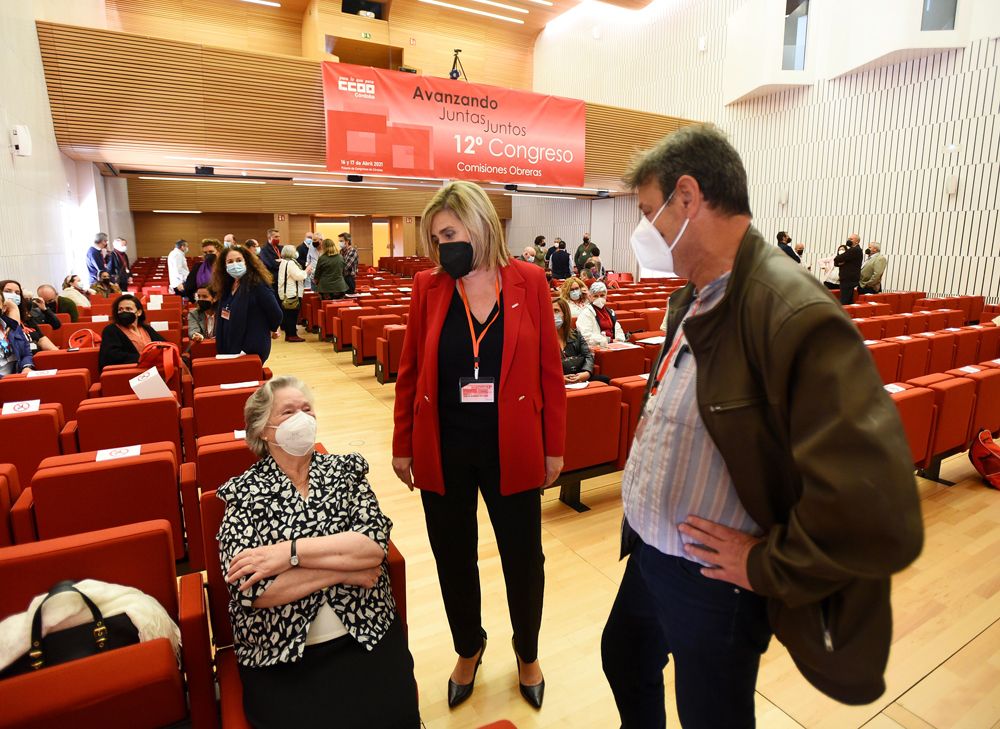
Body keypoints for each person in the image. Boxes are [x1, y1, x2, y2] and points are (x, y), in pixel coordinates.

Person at [600, 124, 922, 728]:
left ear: (688, 198)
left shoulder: (791, 311)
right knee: (623, 656)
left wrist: (765, 564)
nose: (644, 232)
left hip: (714, 584)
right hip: (652, 556)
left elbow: (879, 507)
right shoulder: (692, 297)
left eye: (648, 213)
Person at [391, 180, 566, 710]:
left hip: (511, 446)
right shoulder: (430, 285)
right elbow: (410, 369)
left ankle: (527, 651)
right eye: (435, 238)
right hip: (443, 446)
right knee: (453, 556)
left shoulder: (530, 281)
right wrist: (403, 443)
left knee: (523, 558)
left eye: (449, 233)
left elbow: (550, 372)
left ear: (481, 225)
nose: (442, 247)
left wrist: (553, 445)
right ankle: (469, 647)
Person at [217, 376, 420, 729]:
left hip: (366, 632)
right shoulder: (244, 493)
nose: (302, 418)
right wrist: (344, 570)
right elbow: (250, 588)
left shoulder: (345, 471)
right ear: (264, 430)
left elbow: (372, 545)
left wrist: (288, 554)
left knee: (394, 717)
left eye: (307, 409)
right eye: (289, 411)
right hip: (280, 654)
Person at [213, 244, 283, 363]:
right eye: (230, 261)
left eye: (239, 260)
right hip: (230, 345)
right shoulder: (227, 286)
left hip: (250, 347)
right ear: (224, 266)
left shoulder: (257, 285)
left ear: (247, 262)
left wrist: (273, 329)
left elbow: (275, 313)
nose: (234, 264)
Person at [97, 294, 165, 371]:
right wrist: (143, 358)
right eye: (120, 310)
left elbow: (164, 344)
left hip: (153, 369)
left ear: (139, 312)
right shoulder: (111, 330)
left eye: (128, 309)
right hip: (128, 372)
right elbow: (110, 356)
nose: (124, 312)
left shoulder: (146, 328)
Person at [0, 281, 58, 352]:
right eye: (7, 291)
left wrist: (56, 353)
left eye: (17, 293)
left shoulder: (27, 317)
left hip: (37, 356)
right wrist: (12, 308)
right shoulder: (2, 321)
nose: (13, 295)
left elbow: (41, 339)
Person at [552, 297, 596, 384]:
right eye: (549, 311)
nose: (552, 314)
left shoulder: (576, 334)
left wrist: (585, 374)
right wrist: (560, 378)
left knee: (604, 379)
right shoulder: (542, 339)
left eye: (556, 311)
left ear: (565, 314)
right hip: (556, 380)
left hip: (578, 375)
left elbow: (588, 356)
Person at [576, 282, 627, 347]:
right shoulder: (585, 313)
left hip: (614, 345)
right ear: (590, 297)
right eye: (596, 296)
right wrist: (609, 341)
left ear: (606, 296)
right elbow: (586, 336)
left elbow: (618, 329)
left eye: (602, 295)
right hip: (597, 347)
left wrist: (619, 340)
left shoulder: (610, 312)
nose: (599, 298)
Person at [277, 245, 307, 343]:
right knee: (292, 316)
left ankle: (290, 334)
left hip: (286, 292)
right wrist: (307, 271)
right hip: (291, 293)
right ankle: (292, 335)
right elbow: (298, 276)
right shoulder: (290, 263)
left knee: (288, 316)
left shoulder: (283, 262)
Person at [0, 297, 35, 376]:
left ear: (4, 308)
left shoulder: (13, 327)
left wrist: (26, 367)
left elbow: (26, 354)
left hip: (16, 378)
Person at [833, 233, 862, 304]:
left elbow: (837, 258)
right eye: (848, 239)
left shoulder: (855, 250)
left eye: (851, 239)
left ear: (857, 241)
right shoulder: (851, 250)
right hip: (848, 279)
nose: (848, 240)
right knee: (848, 299)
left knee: (844, 300)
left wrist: (839, 261)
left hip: (848, 280)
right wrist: (839, 261)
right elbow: (836, 262)